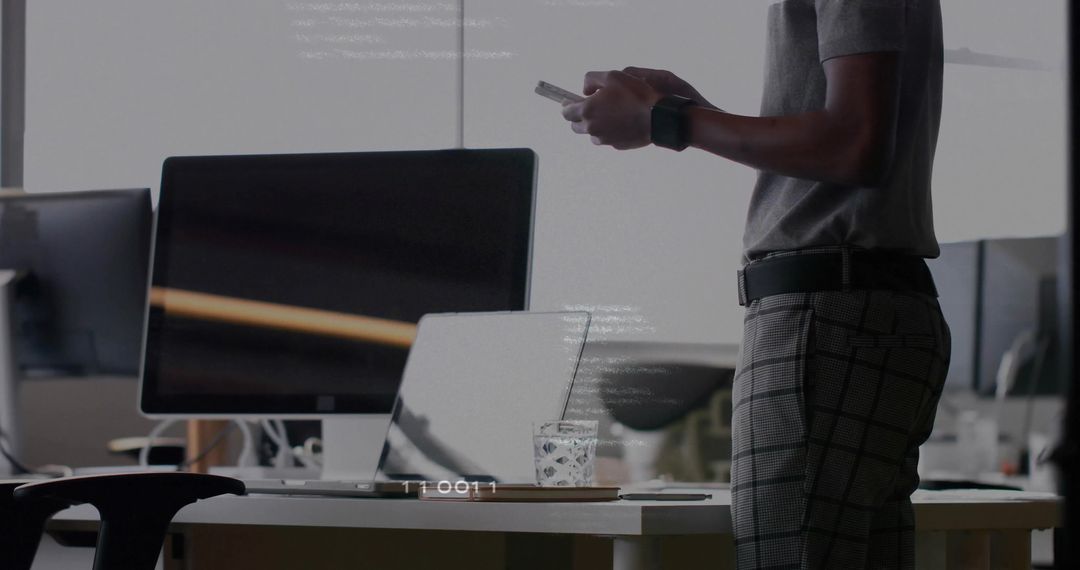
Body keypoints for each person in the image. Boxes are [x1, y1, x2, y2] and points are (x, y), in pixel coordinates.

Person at [560, 1, 947, 568]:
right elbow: (845, 143)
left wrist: (668, 118)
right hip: (866, 307)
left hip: (827, 316)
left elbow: (854, 143)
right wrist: (682, 110)